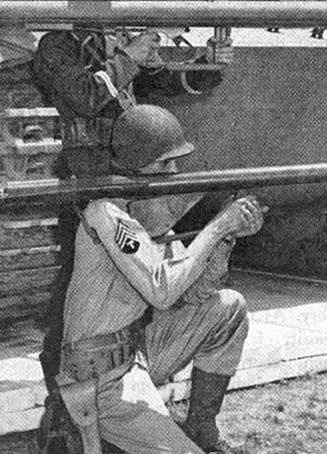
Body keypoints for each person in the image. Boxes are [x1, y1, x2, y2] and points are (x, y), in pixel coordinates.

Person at [33, 0, 228, 444]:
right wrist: (127, 58)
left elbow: (170, 83)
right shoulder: (55, 47)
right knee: (71, 305)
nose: (109, 3)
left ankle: (137, 385)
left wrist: (207, 63)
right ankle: (66, 414)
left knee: (144, 283)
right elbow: (83, 96)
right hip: (87, 184)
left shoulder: (114, 39)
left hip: (134, 178)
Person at [55, 104, 260, 454]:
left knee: (228, 308)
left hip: (135, 355)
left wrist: (228, 238)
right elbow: (162, 291)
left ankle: (201, 427)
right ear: (140, 165)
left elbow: (193, 292)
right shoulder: (106, 213)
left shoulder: (144, 212)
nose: (176, 171)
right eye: (166, 163)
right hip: (97, 378)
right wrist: (217, 227)